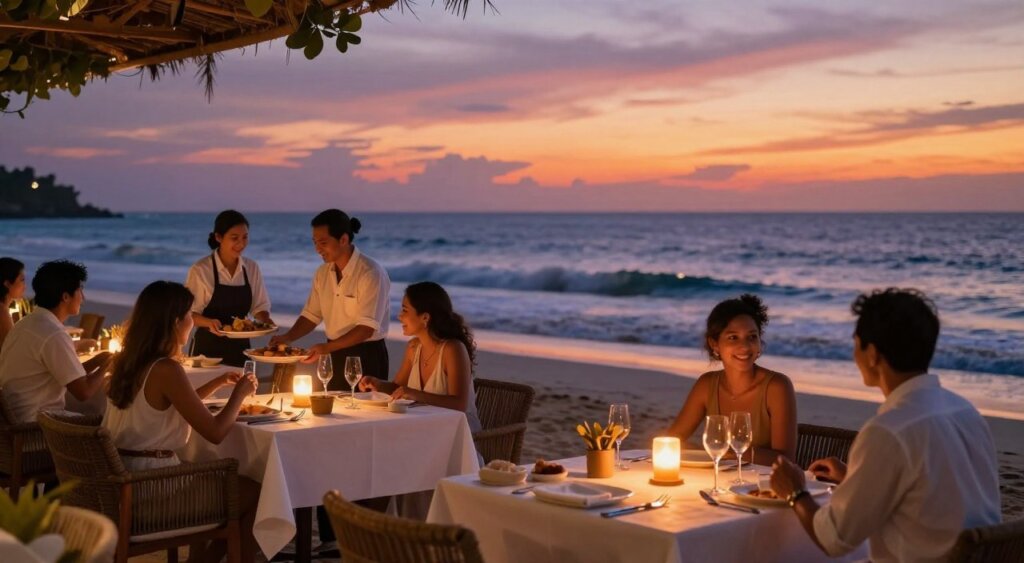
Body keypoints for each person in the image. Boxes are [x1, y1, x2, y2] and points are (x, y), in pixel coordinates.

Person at [770, 288, 1001, 562]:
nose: (854, 354)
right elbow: (936, 491)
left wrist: (795, 491)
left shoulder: (889, 431)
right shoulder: (964, 411)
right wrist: (855, 478)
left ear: (872, 354)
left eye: (856, 344)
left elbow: (833, 538)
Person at [103, 281, 261, 563]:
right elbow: (215, 432)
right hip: (154, 492)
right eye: (189, 314)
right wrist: (239, 394)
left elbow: (164, 406)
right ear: (175, 322)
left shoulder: (128, 361)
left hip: (122, 484)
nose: (193, 321)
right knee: (255, 491)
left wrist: (217, 383)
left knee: (215, 480)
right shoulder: (166, 368)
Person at [666, 294, 797, 464]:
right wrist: (696, 452)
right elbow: (672, 439)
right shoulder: (707, 385)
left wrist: (731, 452)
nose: (745, 346)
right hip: (718, 477)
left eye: (752, 336)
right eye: (733, 337)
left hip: (761, 481)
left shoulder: (777, 387)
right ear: (714, 344)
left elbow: (786, 460)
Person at [270, 209, 390, 387]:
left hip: (366, 355)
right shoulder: (323, 273)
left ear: (343, 240)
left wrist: (326, 348)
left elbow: (366, 329)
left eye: (323, 243)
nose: (317, 249)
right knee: (333, 403)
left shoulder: (370, 273)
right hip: (333, 352)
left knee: (364, 405)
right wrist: (288, 337)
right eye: (315, 243)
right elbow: (311, 315)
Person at [359, 281, 481, 432]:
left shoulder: (453, 349)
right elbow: (398, 387)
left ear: (425, 317)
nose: (399, 316)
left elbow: (459, 404)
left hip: (458, 432)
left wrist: (416, 394)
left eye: (405, 310)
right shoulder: (414, 347)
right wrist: (378, 384)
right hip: (424, 426)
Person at [0, 260, 112, 423]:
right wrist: (108, 365)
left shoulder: (27, 323)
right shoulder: (53, 333)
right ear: (65, 297)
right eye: (80, 290)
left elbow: (67, 373)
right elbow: (83, 392)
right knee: (106, 421)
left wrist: (98, 360)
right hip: (38, 427)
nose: (83, 298)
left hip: (17, 421)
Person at [185, 210, 274, 367]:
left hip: (241, 349)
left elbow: (259, 307)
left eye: (245, 237)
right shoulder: (200, 270)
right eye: (234, 238)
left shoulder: (251, 268)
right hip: (206, 352)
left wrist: (265, 321)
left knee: (242, 383)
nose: (241, 243)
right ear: (219, 237)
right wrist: (208, 322)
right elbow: (188, 314)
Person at [0, 257, 26, 349]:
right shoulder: (2, 313)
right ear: (7, 284)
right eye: (22, 280)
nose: (25, 286)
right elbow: (9, 351)